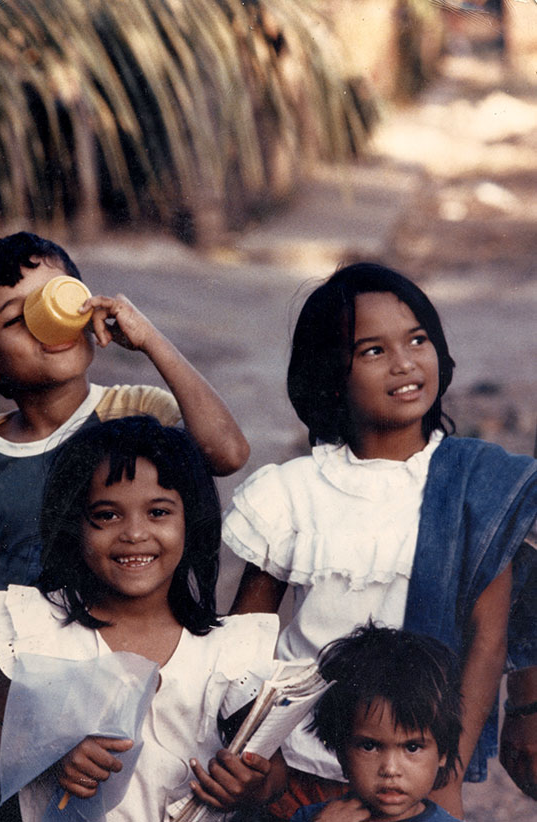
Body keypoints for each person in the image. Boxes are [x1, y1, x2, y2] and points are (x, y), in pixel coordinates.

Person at [222, 262, 537, 819]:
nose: (404, 363)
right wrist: (255, 764)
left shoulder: (478, 484)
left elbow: (487, 645)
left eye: (417, 340)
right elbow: (244, 645)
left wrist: (448, 778)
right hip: (296, 773)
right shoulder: (293, 491)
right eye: (372, 351)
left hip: (415, 779)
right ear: (330, 373)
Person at [0, 231, 250, 820]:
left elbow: (226, 451)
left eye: (59, 298)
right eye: (20, 319)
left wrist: (150, 341)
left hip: (136, 671)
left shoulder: (140, 413)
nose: (50, 325)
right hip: (23, 697)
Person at [0, 416, 285, 821]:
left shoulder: (225, 649)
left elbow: (274, 772)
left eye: (158, 512)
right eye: (107, 515)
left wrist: (252, 785)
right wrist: (46, 750)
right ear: (74, 525)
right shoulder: (38, 629)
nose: (134, 533)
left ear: (192, 522)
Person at [292, 623, 462, 822]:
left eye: (412, 747)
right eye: (369, 746)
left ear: (443, 753)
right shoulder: (314, 818)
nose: (390, 769)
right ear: (341, 752)